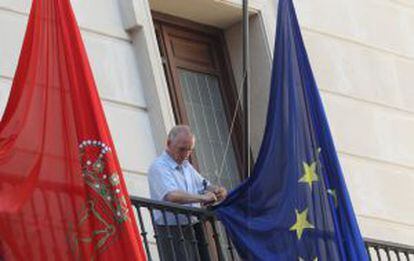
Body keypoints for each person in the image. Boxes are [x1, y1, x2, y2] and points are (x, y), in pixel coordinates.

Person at [148, 125, 227, 261]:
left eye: (189, 150)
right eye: (182, 149)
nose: (185, 155)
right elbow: (172, 196)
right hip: (171, 231)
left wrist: (218, 190)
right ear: (168, 143)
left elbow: (204, 185)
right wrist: (202, 198)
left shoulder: (186, 166)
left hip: (193, 226)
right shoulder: (159, 166)